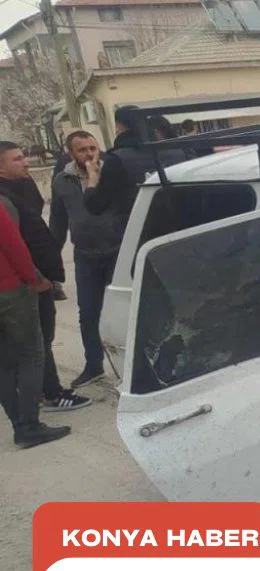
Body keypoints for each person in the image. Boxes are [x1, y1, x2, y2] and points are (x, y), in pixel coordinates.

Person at [0, 141, 93, 413]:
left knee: (39, 340)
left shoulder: (22, 187)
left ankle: (38, 392)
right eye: (17, 159)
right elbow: (14, 246)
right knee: (37, 343)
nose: (26, 162)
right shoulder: (5, 200)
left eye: (23, 157)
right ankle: (50, 394)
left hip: (36, 278)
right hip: (27, 283)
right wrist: (36, 278)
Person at [49, 131, 122, 388]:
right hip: (86, 256)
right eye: (82, 150)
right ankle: (94, 365)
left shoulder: (112, 173)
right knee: (88, 313)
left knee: (124, 311)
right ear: (70, 153)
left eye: (93, 148)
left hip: (117, 252)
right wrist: (52, 258)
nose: (90, 154)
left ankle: (138, 364)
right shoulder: (62, 180)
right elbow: (58, 220)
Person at [0, 206, 72, 449]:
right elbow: (13, 244)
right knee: (31, 354)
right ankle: (30, 424)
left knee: (3, 363)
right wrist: (34, 279)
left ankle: (18, 425)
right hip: (9, 290)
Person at [83, 106, 189, 233]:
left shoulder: (116, 159)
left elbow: (95, 205)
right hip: (181, 229)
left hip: (138, 233)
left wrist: (92, 178)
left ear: (119, 128)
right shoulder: (179, 152)